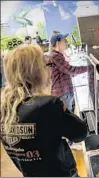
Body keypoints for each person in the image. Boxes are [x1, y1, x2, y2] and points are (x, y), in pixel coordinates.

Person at [0, 45, 87, 176]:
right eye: (47, 65)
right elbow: (80, 133)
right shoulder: (48, 105)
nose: (50, 70)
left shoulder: (4, 108)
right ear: (36, 71)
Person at [49, 33, 89, 112]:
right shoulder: (55, 56)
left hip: (65, 92)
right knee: (67, 117)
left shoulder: (58, 55)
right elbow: (70, 70)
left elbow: (65, 71)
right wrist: (88, 68)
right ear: (58, 43)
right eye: (64, 41)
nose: (65, 43)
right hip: (63, 93)